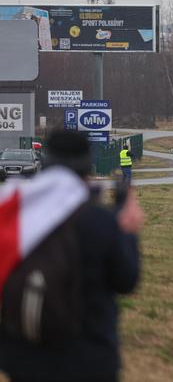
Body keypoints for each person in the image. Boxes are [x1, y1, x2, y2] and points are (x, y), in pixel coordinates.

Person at [0, 130, 144, 382]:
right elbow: (126, 279)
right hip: (88, 359)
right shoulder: (98, 220)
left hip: (24, 360)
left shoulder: (16, 215)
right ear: (86, 167)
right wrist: (129, 233)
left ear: (45, 162)